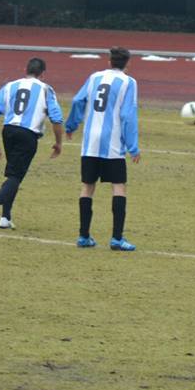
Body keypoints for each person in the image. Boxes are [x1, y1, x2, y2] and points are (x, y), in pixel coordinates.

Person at [65, 46, 141, 251]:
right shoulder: (129, 82)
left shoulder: (94, 77)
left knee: (87, 186)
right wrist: (133, 147)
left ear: (109, 61)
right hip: (113, 143)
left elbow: (78, 100)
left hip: (90, 142)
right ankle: (117, 238)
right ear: (128, 64)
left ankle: (83, 236)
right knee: (118, 186)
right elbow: (128, 115)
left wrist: (71, 125)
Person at [0, 57, 64, 229]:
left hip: (8, 131)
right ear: (43, 74)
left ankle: (6, 217)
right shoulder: (46, 89)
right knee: (16, 176)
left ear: (26, 70)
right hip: (28, 135)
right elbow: (56, 118)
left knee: (13, 175)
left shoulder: (10, 86)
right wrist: (58, 143)